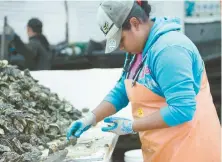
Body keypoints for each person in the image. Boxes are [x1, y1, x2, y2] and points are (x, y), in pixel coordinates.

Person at [66, 0, 220, 161]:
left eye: (121, 39)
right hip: (164, 149)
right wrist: (90, 119)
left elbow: (182, 110)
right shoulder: (138, 50)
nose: (120, 47)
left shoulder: (169, 50)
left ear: (135, 23)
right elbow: (123, 89)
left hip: (191, 151)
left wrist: (131, 126)